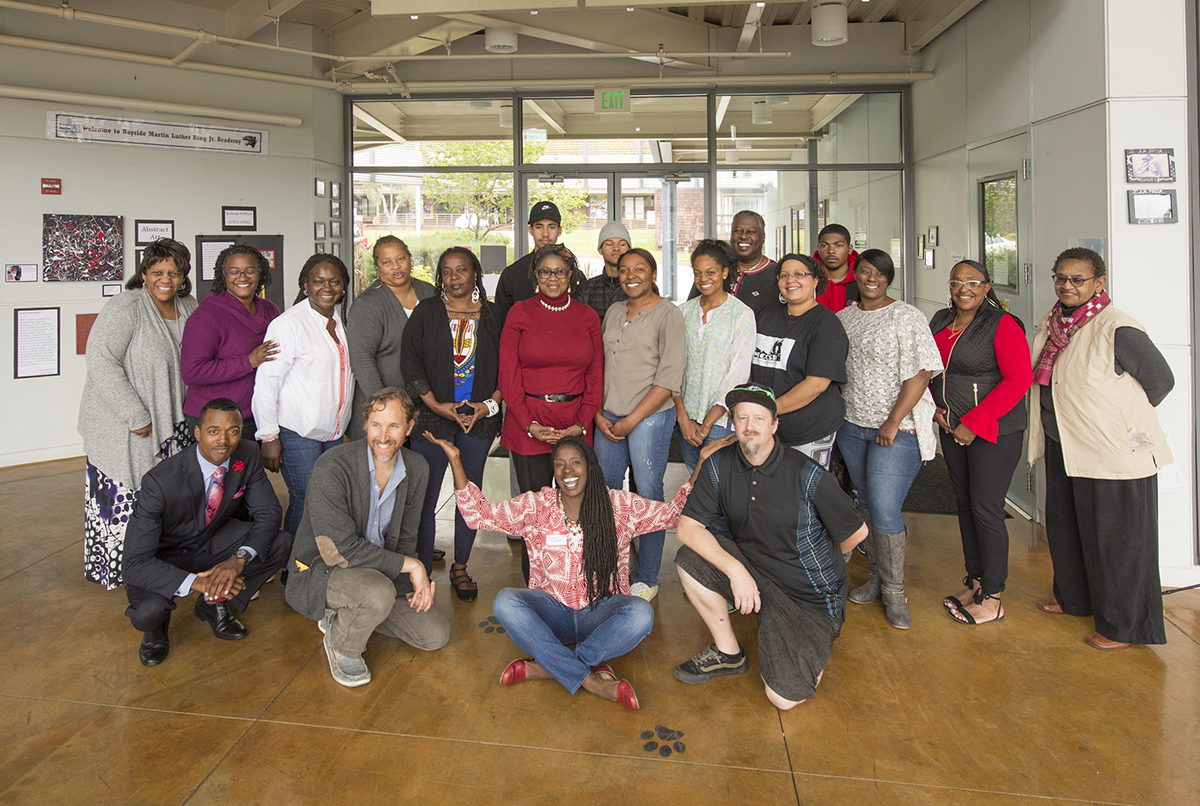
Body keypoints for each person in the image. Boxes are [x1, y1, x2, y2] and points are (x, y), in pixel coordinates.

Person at [442, 432, 727, 710]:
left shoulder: (618, 504)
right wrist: (456, 460)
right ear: (553, 470)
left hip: (600, 614)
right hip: (552, 613)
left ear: (589, 465)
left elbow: (673, 515)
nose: (568, 470)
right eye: (560, 464)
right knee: (505, 601)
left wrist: (701, 462)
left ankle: (548, 667)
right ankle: (593, 680)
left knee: (641, 613)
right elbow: (478, 516)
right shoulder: (536, 506)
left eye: (576, 462)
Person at [672, 384, 866, 710]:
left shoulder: (807, 474)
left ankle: (805, 637)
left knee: (783, 699)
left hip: (808, 597)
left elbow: (855, 533)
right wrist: (736, 571)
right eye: (742, 418)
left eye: (759, 419)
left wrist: (817, 562)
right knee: (689, 557)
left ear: (774, 425)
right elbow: (687, 528)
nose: (750, 426)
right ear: (733, 423)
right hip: (755, 573)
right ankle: (728, 652)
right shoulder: (719, 464)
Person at [1028, 248, 1174, 651]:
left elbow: (1160, 382)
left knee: (1117, 542)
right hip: (1064, 443)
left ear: (1099, 284)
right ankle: (1075, 598)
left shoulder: (1117, 327)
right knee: (1067, 527)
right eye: (1061, 277)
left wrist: (1117, 419)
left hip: (1111, 452)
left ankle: (1123, 625)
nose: (1067, 285)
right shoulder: (1054, 323)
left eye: (1078, 279)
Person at [285, 388, 449, 688]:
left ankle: (349, 611)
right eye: (376, 425)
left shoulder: (417, 468)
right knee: (375, 595)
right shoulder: (333, 466)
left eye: (394, 426)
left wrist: (408, 584)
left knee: (434, 635)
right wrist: (413, 568)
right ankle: (341, 644)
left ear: (409, 427)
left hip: (378, 573)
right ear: (364, 424)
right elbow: (339, 550)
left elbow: (407, 538)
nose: (383, 436)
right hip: (322, 569)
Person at [122, 398, 292, 666]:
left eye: (232, 431)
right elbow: (133, 563)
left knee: (281, 543)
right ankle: (157, 630)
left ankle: (213, 601)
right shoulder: (159, 481)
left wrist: (238, 559)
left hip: (212, 543)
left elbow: (268, 513)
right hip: (166, 556)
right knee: (147, 612)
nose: (223, 440)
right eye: (214, 431)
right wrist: (199, 583)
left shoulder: (246, 453)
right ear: (198, 432)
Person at [79, 238, 198, 589]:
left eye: (174, 273)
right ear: (144, 274)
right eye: (158, 272)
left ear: (184, 276)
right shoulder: (126, 306)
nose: (166, 280)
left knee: (163, 499)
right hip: (125, 426)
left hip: (172, 423)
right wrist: (135, 414)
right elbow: (100, 361)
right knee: (126, 498)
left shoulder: (189, 305)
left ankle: (158, 568)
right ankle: (119, 571)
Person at [835, 249, 943, 629]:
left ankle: (895, 591)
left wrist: (893, 421)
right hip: (852, 425)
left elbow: (921, 373)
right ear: (856, 274)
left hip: (896, 430)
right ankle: (877, 578)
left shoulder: (906, 316)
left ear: (888, 278)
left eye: (880, 273)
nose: (872, 278)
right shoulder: (844, 318)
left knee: (883, 508)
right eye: (865, 271)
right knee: (865, 504)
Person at [932, 260, 1032, 626]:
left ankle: (993, 597)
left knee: (986, 508)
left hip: (994, 432)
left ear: (987, 287)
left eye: (973, 282)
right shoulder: (942, 321)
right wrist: (937, 412)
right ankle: (975, 583)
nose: (964, 289)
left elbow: (1018, 379)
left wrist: (973, 424)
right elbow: (930, 370)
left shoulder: (1002, 324)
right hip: (951, 427)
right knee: (965, 506)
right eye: (957, 282)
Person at [401, 247, 503, 601]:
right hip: (432, 417)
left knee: (468, 496)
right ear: (440, 276)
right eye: (447, 271)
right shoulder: (426, 312)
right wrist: (435, 406)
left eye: (462, 270)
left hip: (479, 420)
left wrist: (486, 407)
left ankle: (461, 566)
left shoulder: (493, 315)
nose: (455, 277)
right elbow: (411, 364)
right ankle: (421, 572)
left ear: (475, 274)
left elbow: (509, 369)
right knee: (425, 499)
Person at [499, 243, 603, 583]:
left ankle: (575, 580)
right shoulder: (519, 312)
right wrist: (528, 424)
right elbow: (508, 374)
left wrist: (581, 424)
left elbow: (595, 376)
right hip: (528, 421)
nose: (553, 278)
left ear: (570, 275)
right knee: (536, 514)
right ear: (535, 276)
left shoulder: (587, 316)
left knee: (575, 509)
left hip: (574, 424)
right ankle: (538, 585)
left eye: (560, 271)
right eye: (545, 272)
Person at [594, 249, 685, 601]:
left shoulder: (668, 315)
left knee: (647, 495)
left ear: (653, 273)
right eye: (625, 269)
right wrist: (599, 412)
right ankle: (607, 567)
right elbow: (602, 365)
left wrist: (632, 419)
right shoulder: (615, 311)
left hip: (648, 418)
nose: (631, 275)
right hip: (608, 417)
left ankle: (646, 576)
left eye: (640, 269)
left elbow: (669, 378)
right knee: (607, 495)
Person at [253, 253, 354, 538]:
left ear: (343, 286)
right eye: (318, 281)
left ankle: (318, 561)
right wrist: (269, 437)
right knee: (306, 499)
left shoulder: (339, 317)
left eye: (335, 282)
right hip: (297, 431)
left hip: (333, 432)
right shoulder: (287, 325)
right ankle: (294, 569)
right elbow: (266, 384)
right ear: (305, 285)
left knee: (330, 500)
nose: (327, 288)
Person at [750, 254, 848, 470]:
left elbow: (816, 385)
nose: (790, 280)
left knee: (804, 495)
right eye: (784, 275)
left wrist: (768, 410)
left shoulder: (826, 325)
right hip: (767, 428)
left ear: (815, 281)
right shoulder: (767, 316)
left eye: (799, 274)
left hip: (807, 430)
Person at [674, 239, 756, 473]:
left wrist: (707, 424)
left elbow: (739, 373)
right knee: (695, 484)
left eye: (711, 272)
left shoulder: (740, 314)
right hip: (686, 420)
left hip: (721, 421)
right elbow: (673, 368)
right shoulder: (684, 311)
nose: (703, 279)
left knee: (720, 487)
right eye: (697, 273)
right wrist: (683, 418)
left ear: (725, 272)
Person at [181, 244, 279, 435]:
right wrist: (248, 361)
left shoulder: (270, 310)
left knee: (253, 466)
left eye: (250, 271)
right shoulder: (206, 316)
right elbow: (191, 372)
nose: (242, 277)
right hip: (216, 420)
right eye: (234, 272)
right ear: (223, 275)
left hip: (256, 414)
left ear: (260, 274)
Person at [346, 236, 436, 441]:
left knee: (417, 468)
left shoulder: (428, 292)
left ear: (410, 259)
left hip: (424, 406)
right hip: (381, 410)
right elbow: (361, 361)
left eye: (401, 259)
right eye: (386, 262)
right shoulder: (367, 304)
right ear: (377, 266)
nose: (396, 267)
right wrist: (385, 407)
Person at [688, 211, 777, 316]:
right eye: (738, 231)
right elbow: (692, 309)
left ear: (763, 237)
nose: (743, 236)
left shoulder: (776, 274)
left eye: (751, 232)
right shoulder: (715, 269)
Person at [493, 201, 562, 325]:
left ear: (559, 230)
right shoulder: (512, 275)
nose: (545, 234)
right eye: (539, 227)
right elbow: (501, 322)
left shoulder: (571, 274)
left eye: (551, 227)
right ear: (530, 230)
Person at [577, 220, 632, 321]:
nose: (616, 248)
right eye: (609, 244)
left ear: (629, 249)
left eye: (622, 244)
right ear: (600, 250)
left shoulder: (636, 288)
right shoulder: (585, 289)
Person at [813, 224, 861, 311]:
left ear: (850, 249)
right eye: (824, 245)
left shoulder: (862, 279)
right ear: (818, 248)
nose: (831, 251)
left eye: (838, 245)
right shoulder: (807, 278)